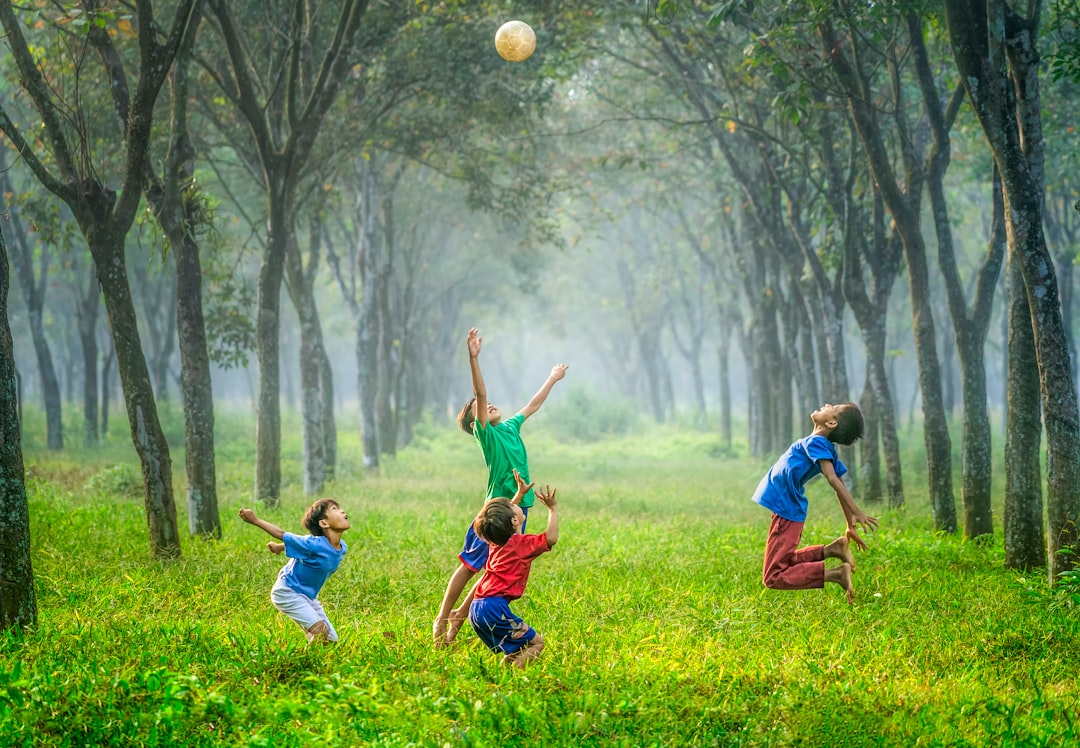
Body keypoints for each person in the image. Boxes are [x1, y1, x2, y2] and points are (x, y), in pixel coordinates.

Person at [432, 327, 568, 646]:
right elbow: (480, 394)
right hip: (495, 511)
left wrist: (552, 378)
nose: (488, 404)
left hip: (519, 509)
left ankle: (454, 629)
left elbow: (532, 405)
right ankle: (442, 621)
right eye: (479, 408)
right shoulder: (487, 435)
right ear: (473, 422)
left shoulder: (509, 427)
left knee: (492, 573)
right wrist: (473, 358)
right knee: (469, 567)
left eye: (490, 403)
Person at [752, 402, 878, 604]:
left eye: (833, 407)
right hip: (786, 508)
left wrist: (857, 512)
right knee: (784, 561)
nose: (827, 404)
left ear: (831, 422)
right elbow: (839, 481)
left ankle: (836, 575)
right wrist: (849, 524)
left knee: (773, 576)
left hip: (786, 510)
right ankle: (833, 550)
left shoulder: (818, 443)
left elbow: (833, 479)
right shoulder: (821, 444)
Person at [468, 471, 559, 668]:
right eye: (513, 505)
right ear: (514, 521)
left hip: (477, 609)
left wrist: (518, 495)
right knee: (537, 643)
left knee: (517, 647)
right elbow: (551, 538)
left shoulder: (496, 541)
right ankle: (512, 678)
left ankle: (503, 673)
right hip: (495, 610)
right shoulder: (521, 545)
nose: (515, 504)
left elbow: (504, 517)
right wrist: (553, 509)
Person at [238, 499, 350, 643]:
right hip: (288, 591)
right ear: (324, 523)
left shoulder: (342, 547)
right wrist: (255, 520)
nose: (341, 511)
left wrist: (279, 547)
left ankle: (313, 651)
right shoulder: (313, 544)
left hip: (308, 596)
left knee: (330, 640)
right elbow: (282, 533)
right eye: (334, 509)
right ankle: (300, 662)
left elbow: (301, 546)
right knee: (321, 632)